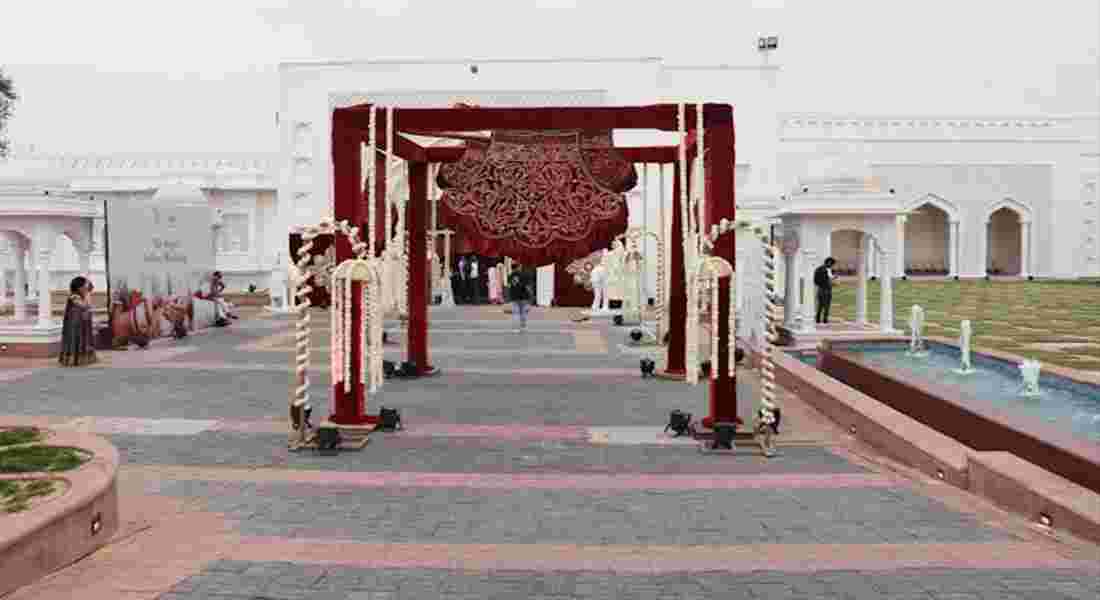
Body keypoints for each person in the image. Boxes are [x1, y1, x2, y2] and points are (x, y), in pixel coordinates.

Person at [59, 276, 98, 367]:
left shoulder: (82, 295)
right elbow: (84, 306)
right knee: (75, 340)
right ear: (79, 287)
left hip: (81, 324)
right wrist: (87, 293)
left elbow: (88, 304)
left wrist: (88, 289)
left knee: (83, 340)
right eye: (84, 286)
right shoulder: (74, 296)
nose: (85, 287)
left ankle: (83, 358)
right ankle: (73, 359)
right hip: (74, 325)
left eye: (86, 286)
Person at [507, 264, 534, 332]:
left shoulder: (510, 276)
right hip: (523, 296)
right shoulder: (523, 275)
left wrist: (509, 296)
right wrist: (531, 294)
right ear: (518, 267)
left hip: (514, 296)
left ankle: (516, 328)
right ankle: (523, 327)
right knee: (523, 312)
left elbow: (509, 286)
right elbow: (527, 286)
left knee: (516, 312)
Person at [813, 257, 837, 324]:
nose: (833, 266)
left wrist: (833, 281)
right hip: (822, 289)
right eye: (832, 264)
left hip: (828, 289)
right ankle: (820, 319)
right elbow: (816, 280)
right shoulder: (820, 270)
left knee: (826, 305)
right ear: (829, 263)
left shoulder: (832, 270)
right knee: (822, 305)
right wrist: (827, 282)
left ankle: (824, 319)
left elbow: (832, 278)